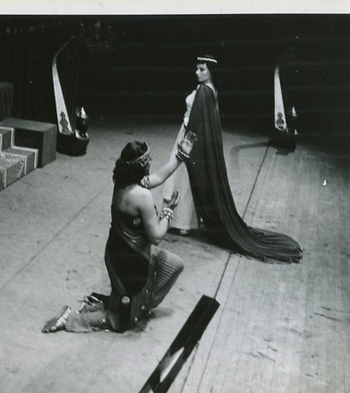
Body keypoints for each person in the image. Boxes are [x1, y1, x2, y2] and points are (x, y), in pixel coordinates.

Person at [42, 134, 196, 333]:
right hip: (130, 261)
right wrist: (168, 210)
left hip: (120, 252)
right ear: (141, 167)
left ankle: (137, 306)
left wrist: (180, 156)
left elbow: (159, 177)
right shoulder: (142, 196)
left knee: (173, 264)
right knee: (121, 321)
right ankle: (70, 318)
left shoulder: (126, 182)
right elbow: (156, 237)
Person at [162, 54, 302, 263]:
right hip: (192, 137)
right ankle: (184, 221)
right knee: (185, 180)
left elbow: (195, 122)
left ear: (211, 71)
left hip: (188, 139)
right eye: (197, 69)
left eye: (202, 69)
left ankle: (181, 223)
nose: (197, 72)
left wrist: (186, 145)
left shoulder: (203, 91)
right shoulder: (211, 89)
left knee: (183, 177)